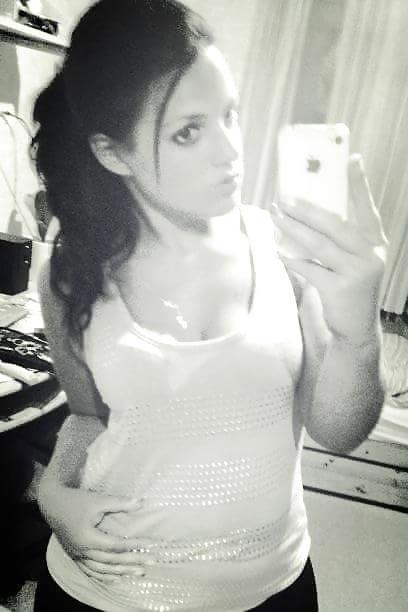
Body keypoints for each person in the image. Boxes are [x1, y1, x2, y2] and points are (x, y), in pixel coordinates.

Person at [31, 0, 387, 610]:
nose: (229, 151)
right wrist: (53, 497)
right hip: (106, 594)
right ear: (113, 153)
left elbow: (338, 432)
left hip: (271, 592)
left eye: (230, 115)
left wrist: (358, 330)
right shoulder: (72, 275)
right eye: (188, 132)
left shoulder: (284, 253)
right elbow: (88, 418)